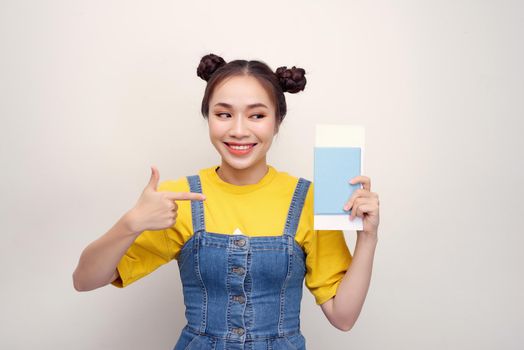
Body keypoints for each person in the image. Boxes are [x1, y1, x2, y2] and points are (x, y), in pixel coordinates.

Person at [72, 53, 380, 350]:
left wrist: (367, 237)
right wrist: (131, 223)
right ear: (208, 117)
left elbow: (343, 317)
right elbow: (85, 280)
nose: (239, 130)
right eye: (224, 114)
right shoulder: (179, 198)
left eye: (257, 115)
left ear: (277, 120)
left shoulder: (309, 199)